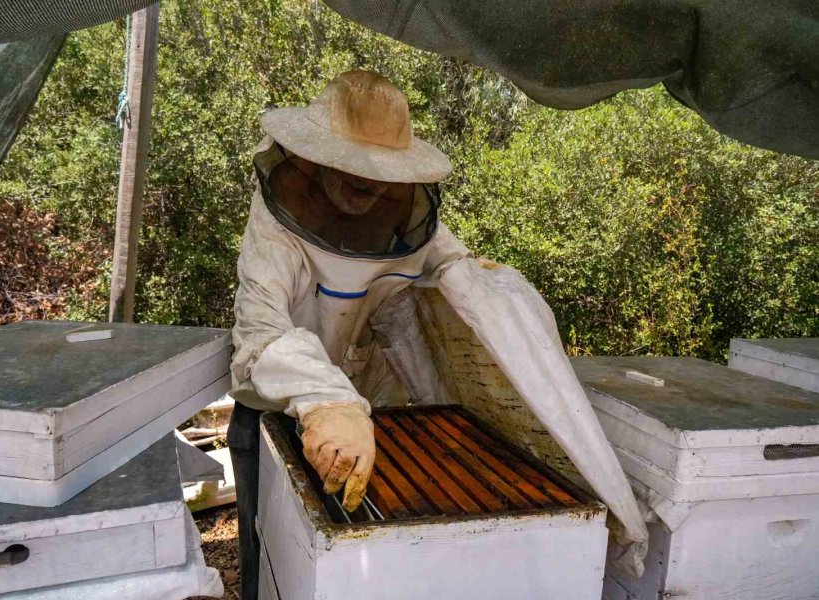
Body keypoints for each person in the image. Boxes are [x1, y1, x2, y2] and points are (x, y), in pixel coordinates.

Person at [228, 70, 647, 600]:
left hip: (371, 413)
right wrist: (325, 400)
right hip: (272, 409)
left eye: (377, 173)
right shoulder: (275, 223)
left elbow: (462, 276)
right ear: (315, 159)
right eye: (353, 168)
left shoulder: (404, 212)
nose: (367, 186)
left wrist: (512, 328)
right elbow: (260, 331)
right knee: (268, 550)